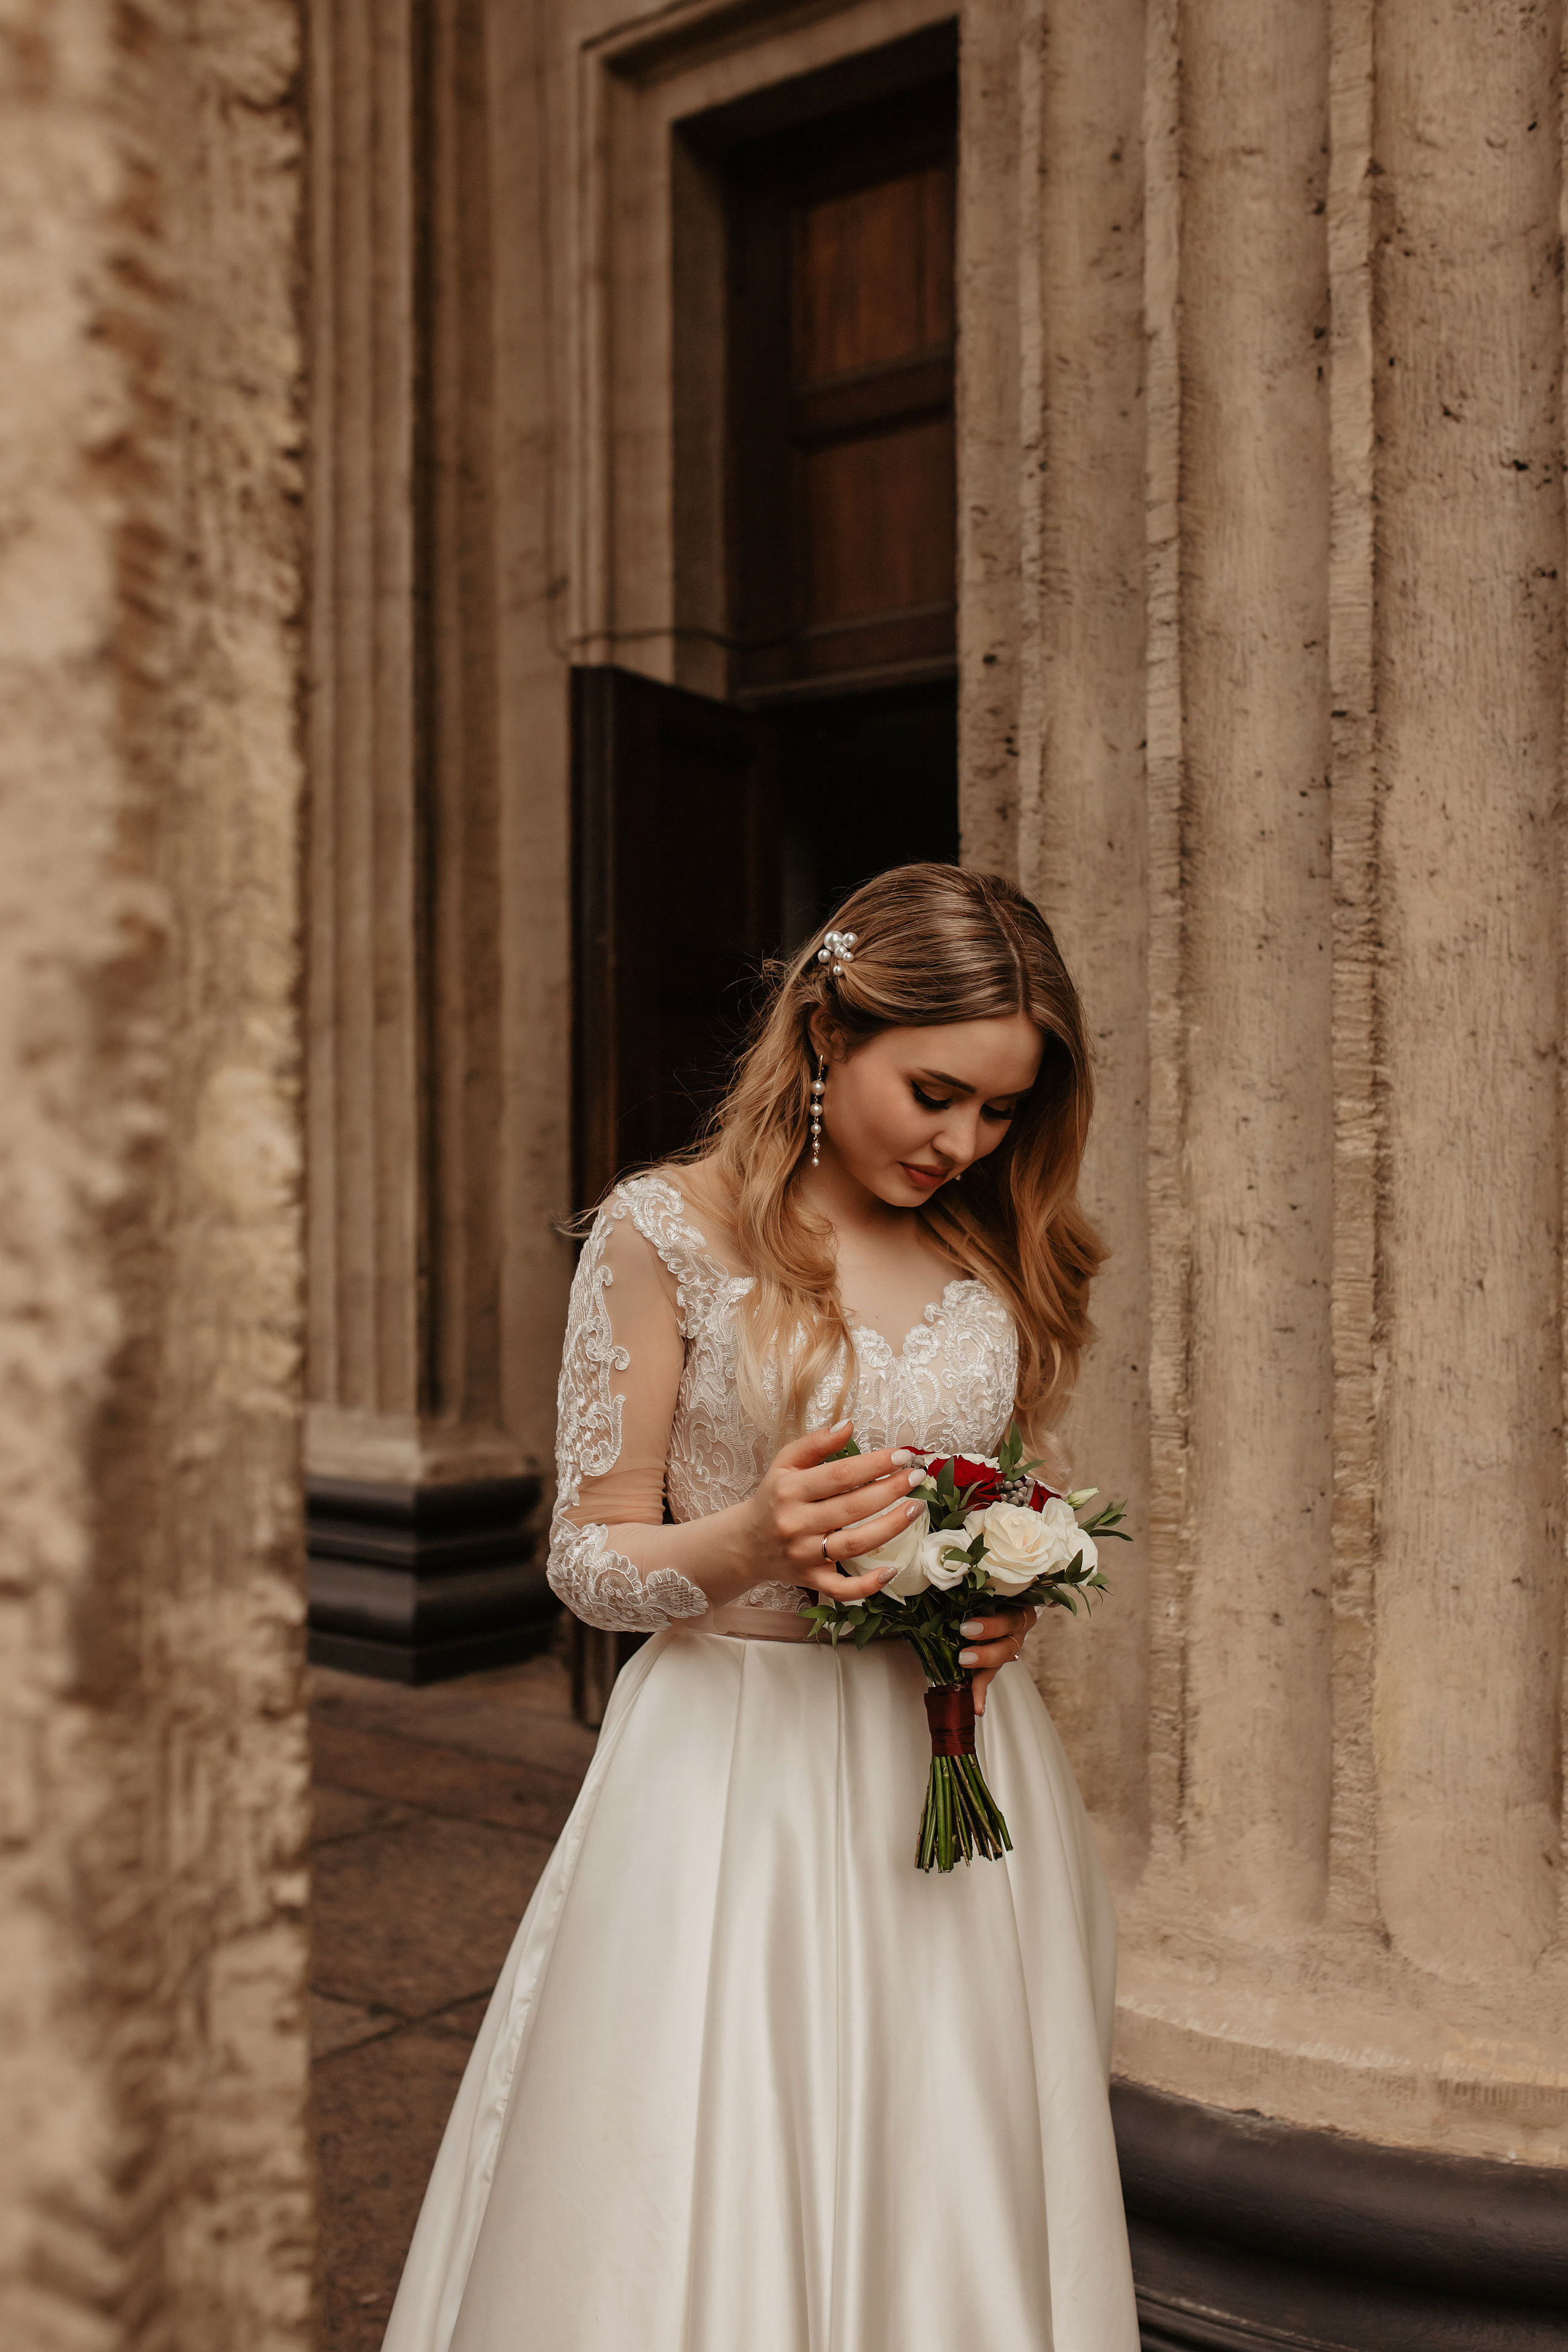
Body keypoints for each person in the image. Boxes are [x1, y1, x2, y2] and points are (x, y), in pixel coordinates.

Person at [382, 863, 1139, 2352]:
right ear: (821, 1032)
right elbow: (589, 1563)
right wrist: (743, 1539)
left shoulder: (993, 1245)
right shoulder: (665, 1234)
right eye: (932, 1092)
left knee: (953, 2146)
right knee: (704, 2148)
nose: (960, 1142)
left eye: (998, 1112)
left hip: (957, 1761)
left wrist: (1004, 1594)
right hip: (735, 1771)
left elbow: (1002, 1487)